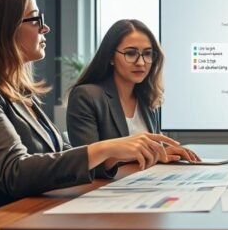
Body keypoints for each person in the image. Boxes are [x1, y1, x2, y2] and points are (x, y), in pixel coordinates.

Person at [0, 0, 182, 224]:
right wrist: (106, 148)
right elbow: (15, 172)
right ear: (0, 28)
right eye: (35, 19)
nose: (45, 27)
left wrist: (115, 155)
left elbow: (58, 153)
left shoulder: (17, 93)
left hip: (30, 220)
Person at [67, 19, 199, 178]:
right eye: (130, 53)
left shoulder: (148, 98)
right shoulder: (86, 96)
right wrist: (131, 152)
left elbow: (150, 156)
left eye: (148, 54)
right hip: (105, 193)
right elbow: (86, 165)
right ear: (110, 57)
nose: (141, 62)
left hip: (145, 185)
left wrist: (163, 153)